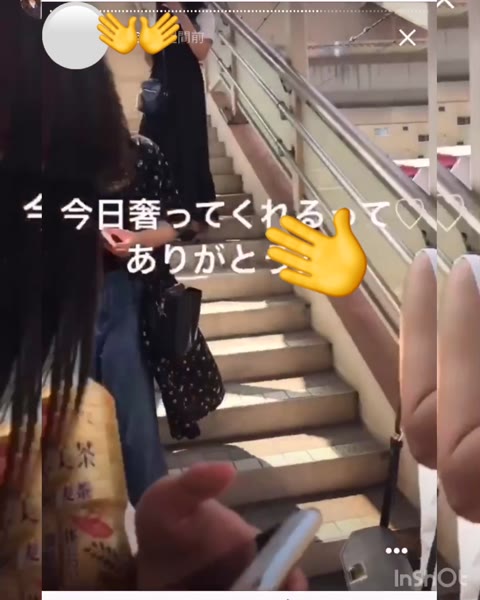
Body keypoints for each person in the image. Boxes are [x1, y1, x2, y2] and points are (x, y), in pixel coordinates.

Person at [0, 2, 307, 594]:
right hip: (64, 306)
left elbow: (181, 220)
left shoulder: (139, 156)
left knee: (130, 419)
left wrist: (133, 239)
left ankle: (143, 509)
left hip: (121, 294)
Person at [140, 2, 217, 240]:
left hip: (187, 89)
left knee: (189, 148)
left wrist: (179, 13)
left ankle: (194, 218)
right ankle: (162, 218)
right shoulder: (156, 12)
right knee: (154, 148)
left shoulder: (203, 12)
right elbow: (151, 57)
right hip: (161, 85)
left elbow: (201, 52)